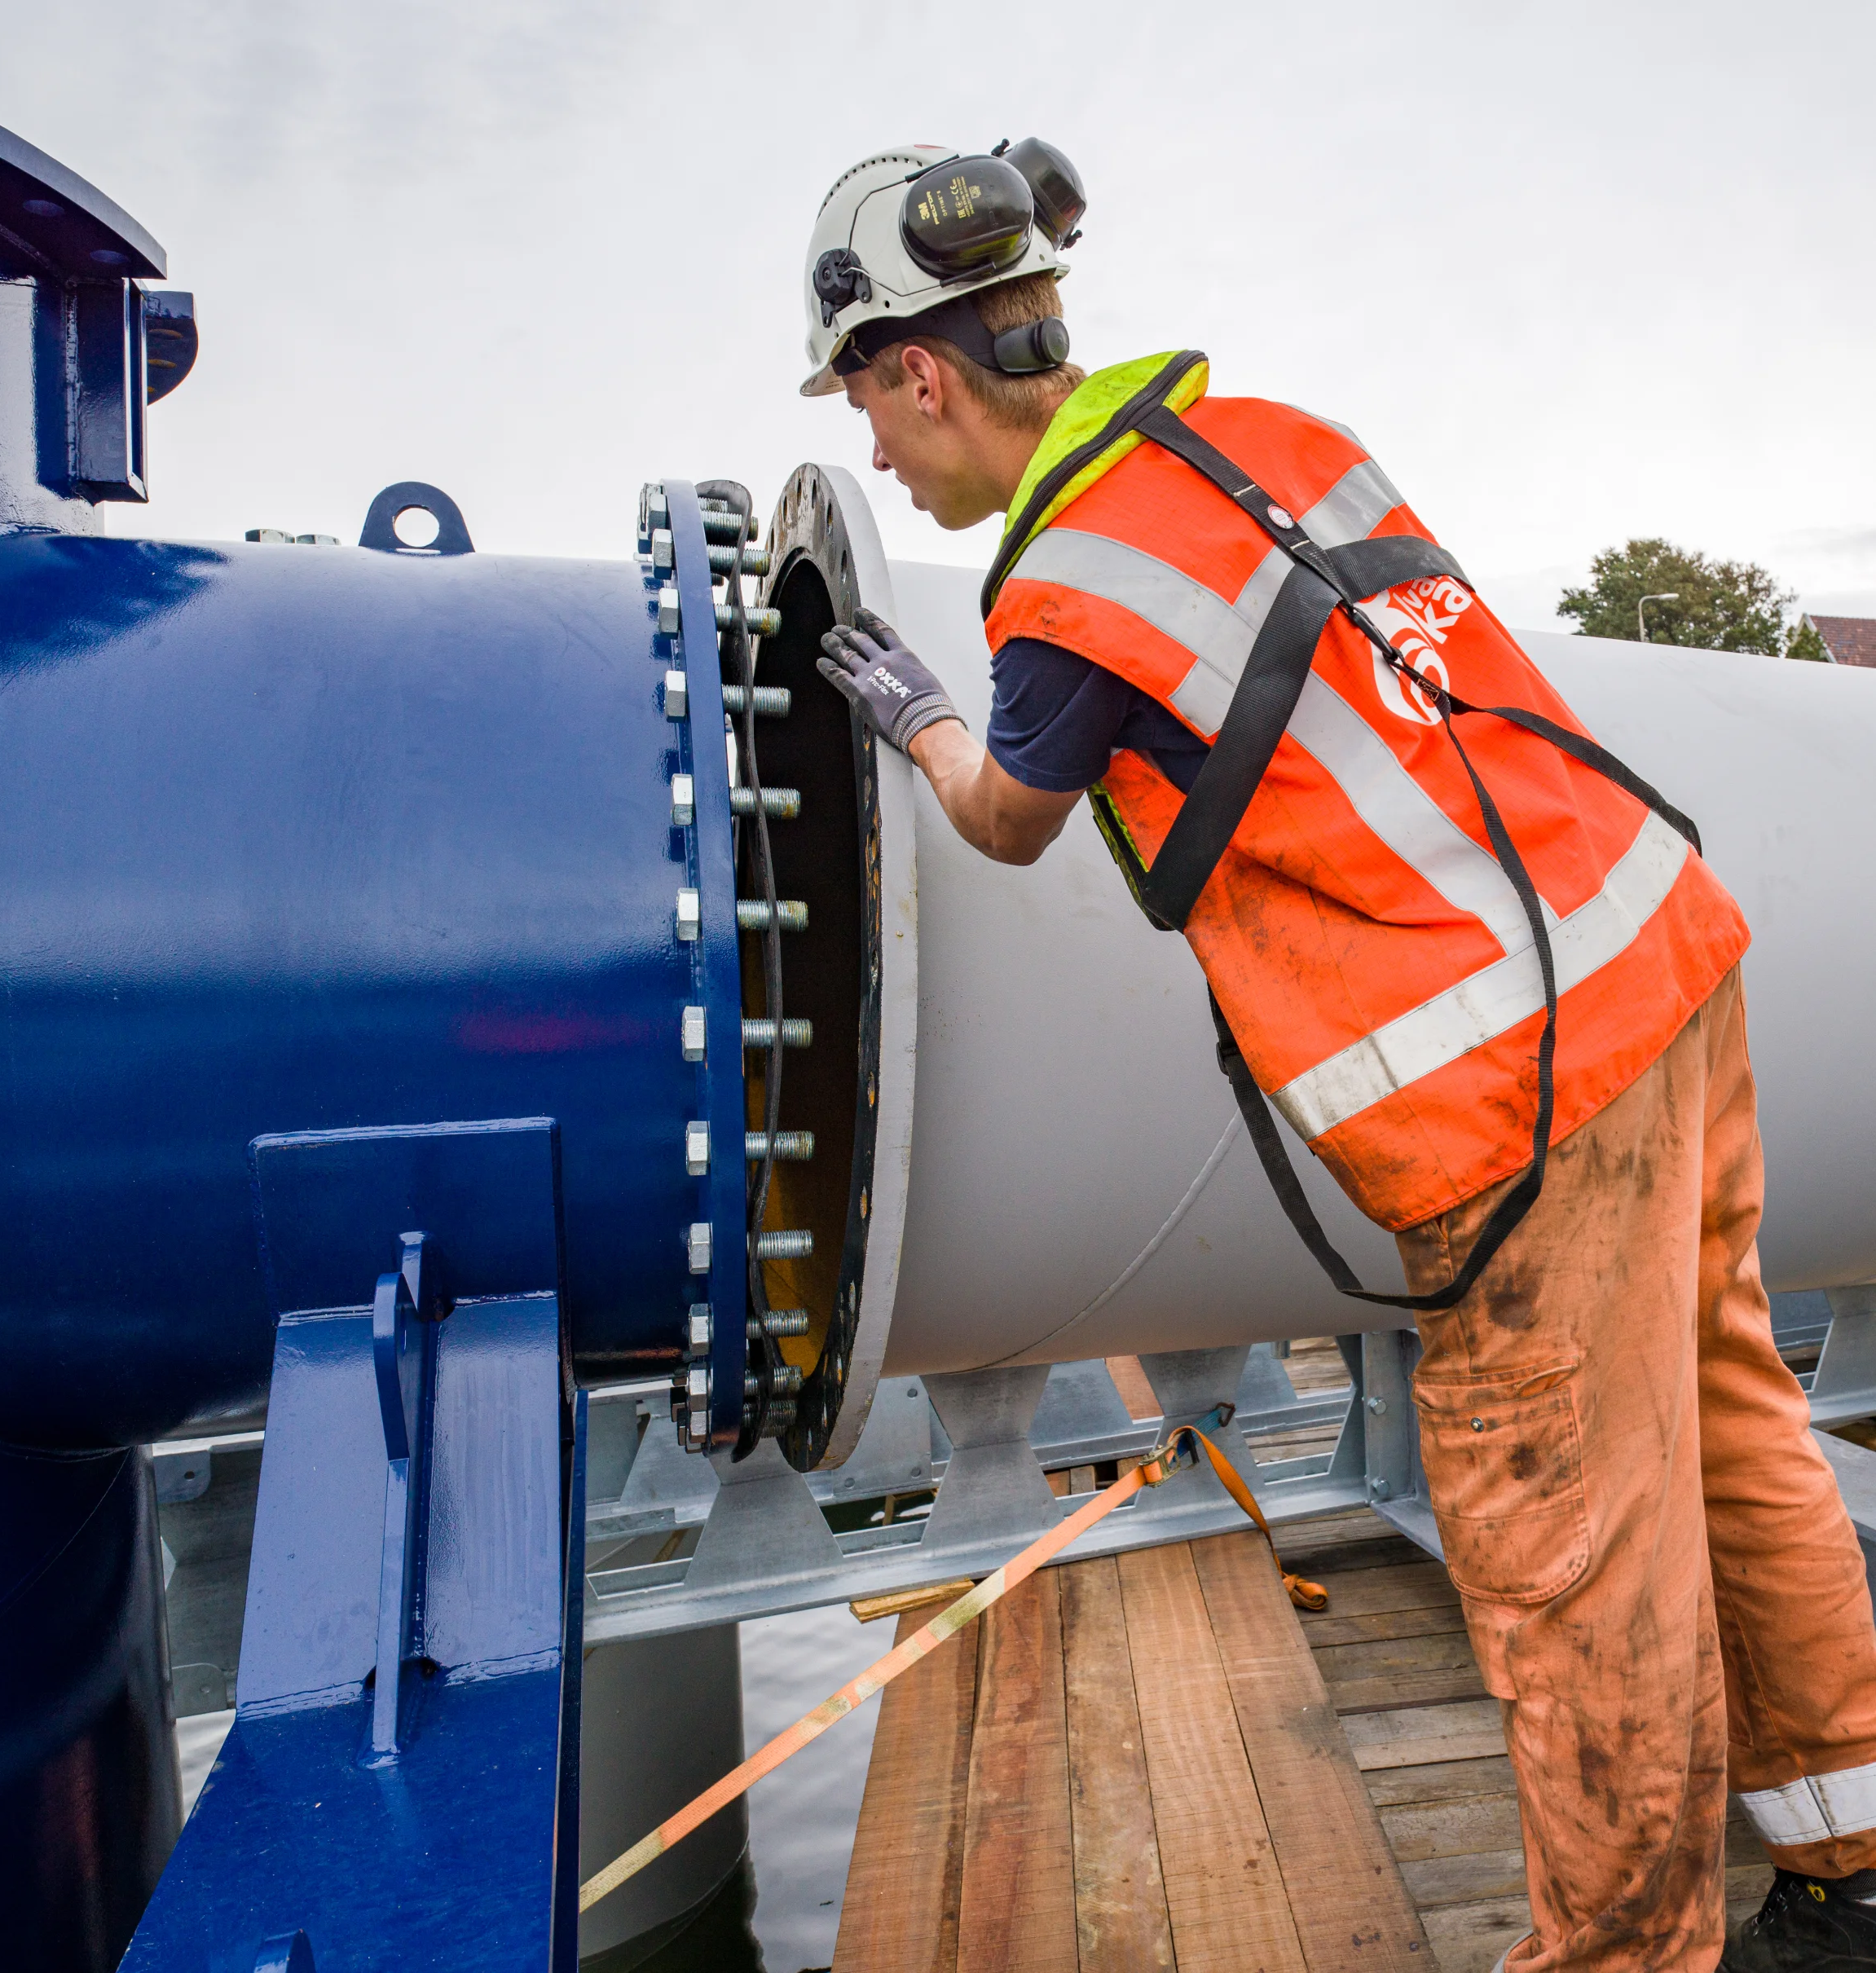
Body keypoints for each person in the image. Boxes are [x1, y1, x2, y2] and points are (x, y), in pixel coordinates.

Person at [800, 143, 1876, 1972]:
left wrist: (910, 711)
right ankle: (1844, 1857)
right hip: (1661, 942)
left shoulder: (1057, 593)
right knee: (1721, 1410)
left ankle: (1623, 1956)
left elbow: (1004, 822)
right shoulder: (1280, 436)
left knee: (1562, 1542)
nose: (882, 457)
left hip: (1517, 1089)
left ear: (919, 369)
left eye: (866, 410)